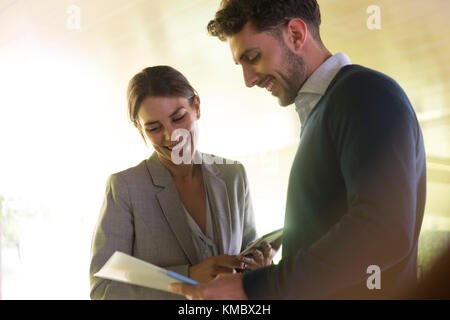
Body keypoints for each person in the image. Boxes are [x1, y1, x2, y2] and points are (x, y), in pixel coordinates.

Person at [169, 0, 426, 299]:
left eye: (253, 57)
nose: (248, 79)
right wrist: (269, 272)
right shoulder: (328, 110)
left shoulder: (363, 93)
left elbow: (385, 231)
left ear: (295, 34)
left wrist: (259, 287)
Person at [89, 65, 277, 299]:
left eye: (178, 117)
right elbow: (103, 290)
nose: (171, 135)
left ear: (196, 107)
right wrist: (188, 276)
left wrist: (261, 272)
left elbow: (247, 265)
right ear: (139, 130)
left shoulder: (233, 176)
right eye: (154, 128)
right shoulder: (125, 188)